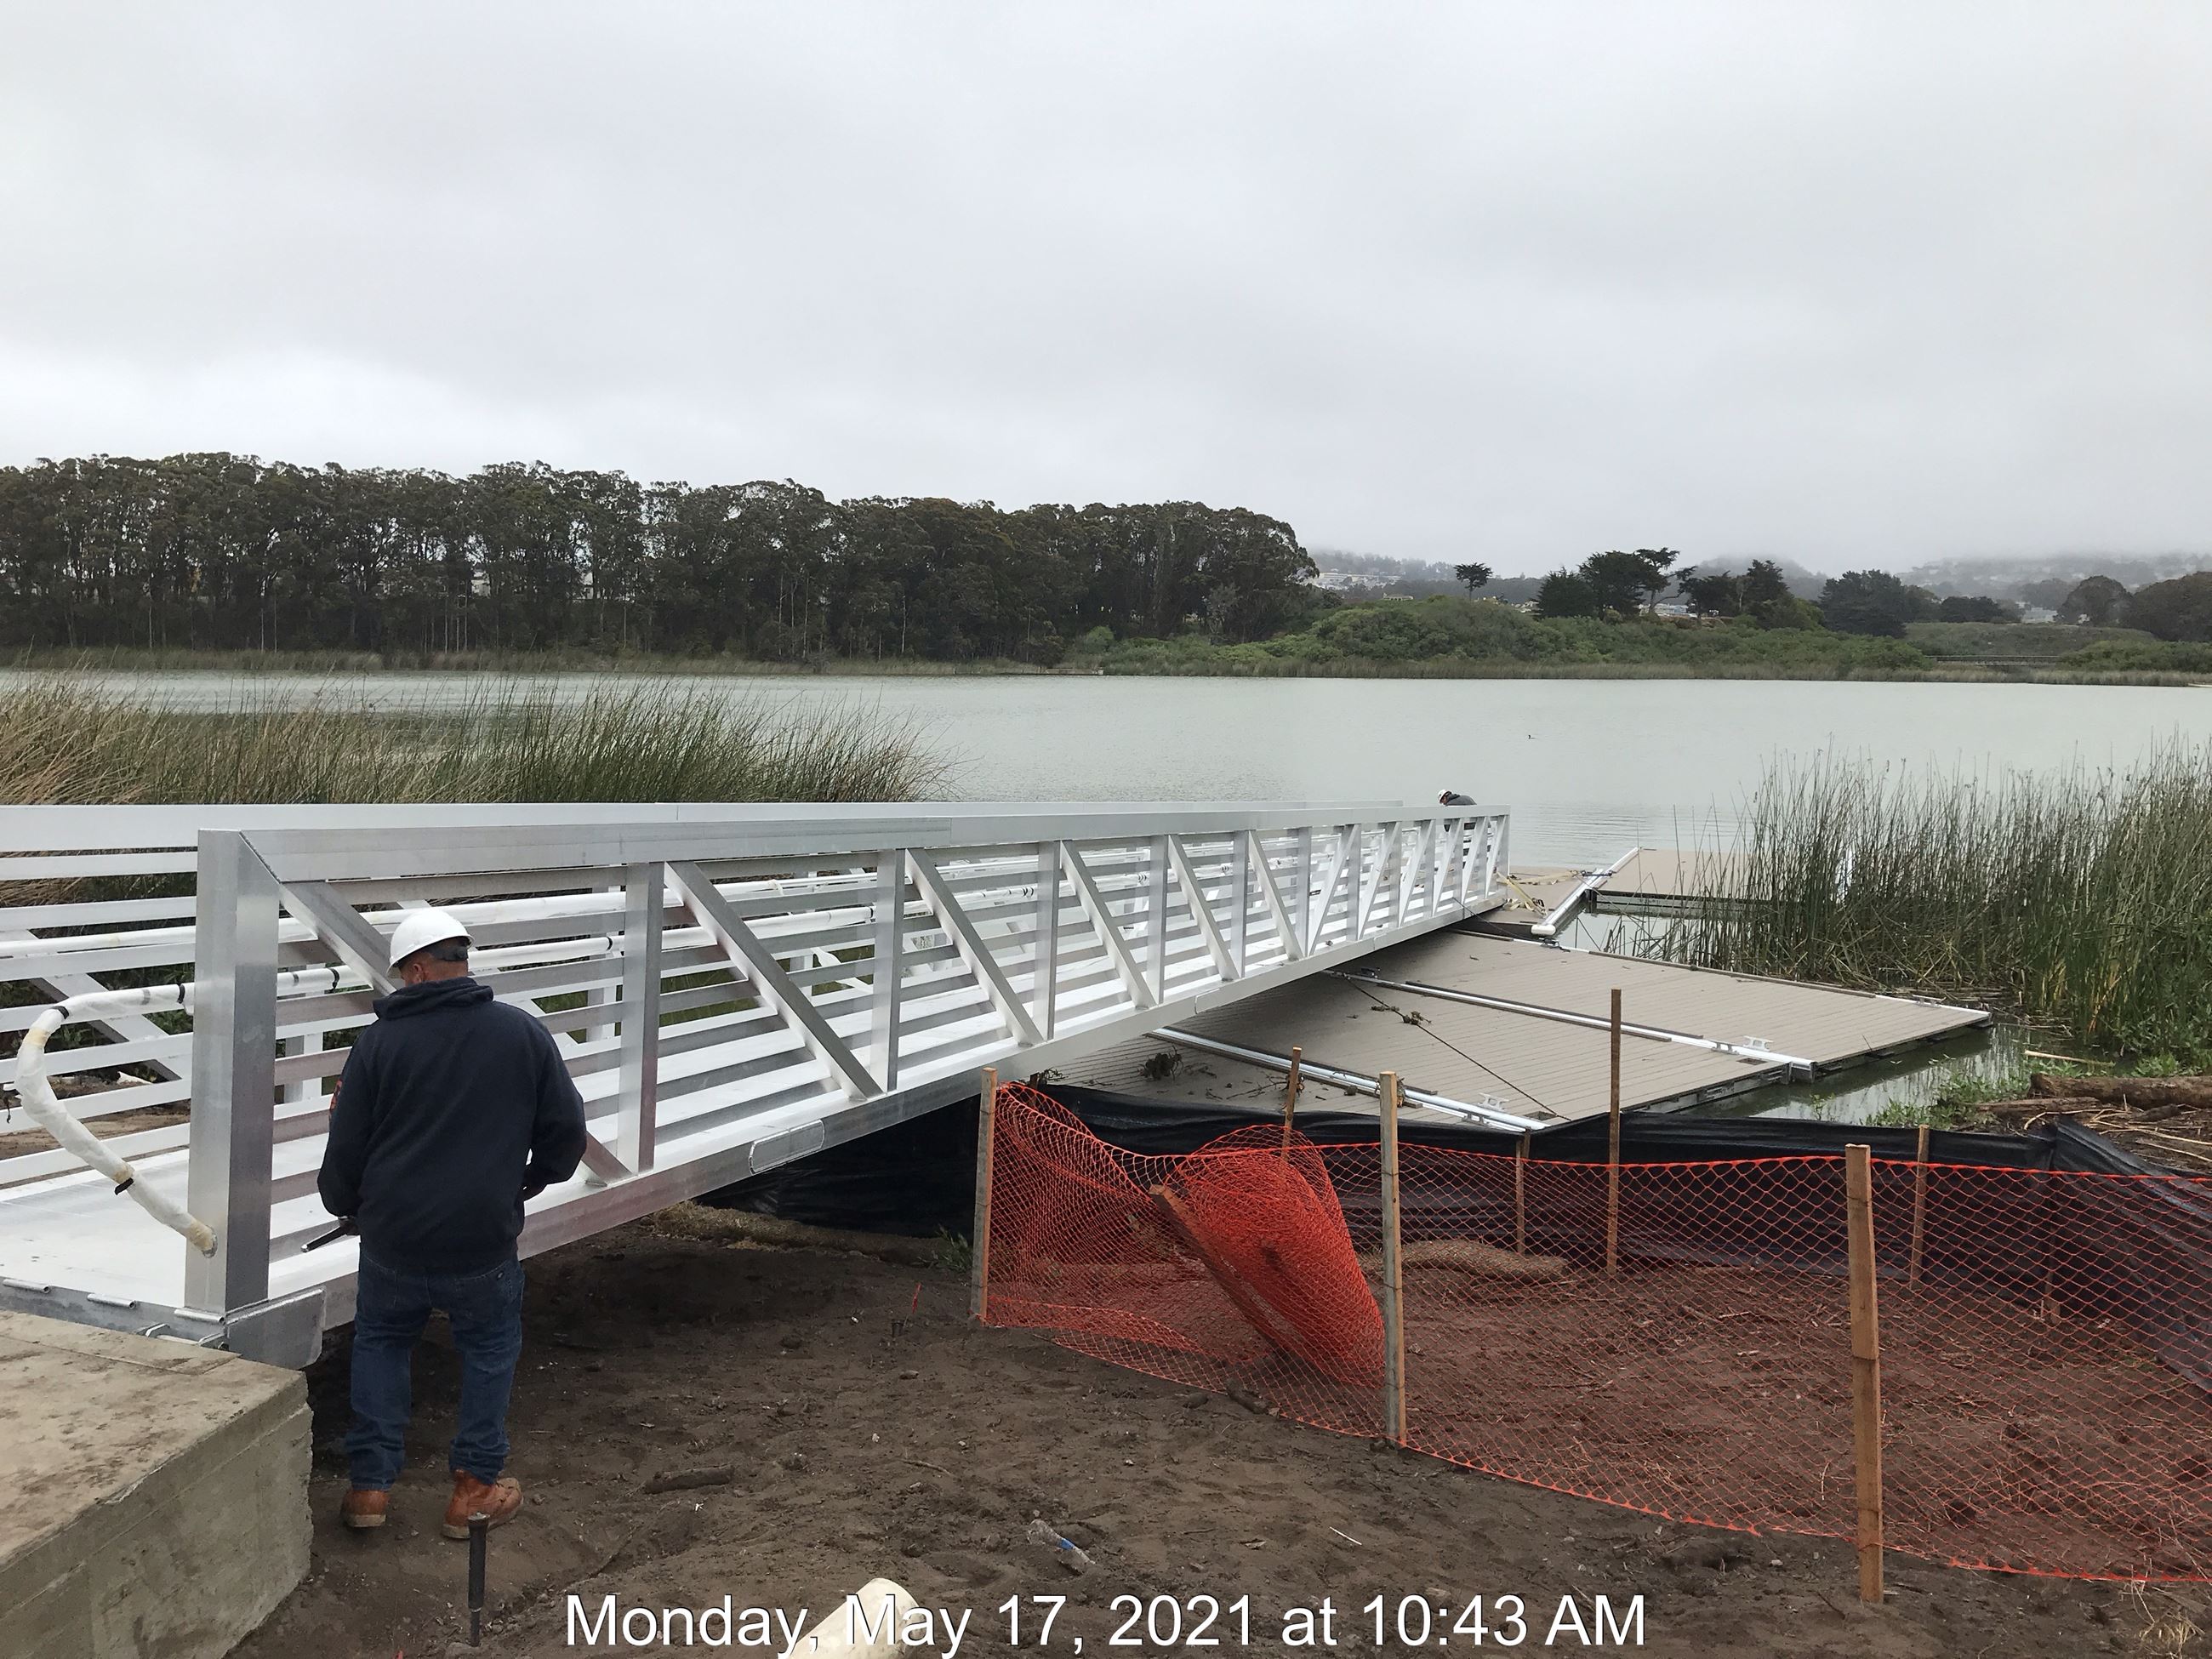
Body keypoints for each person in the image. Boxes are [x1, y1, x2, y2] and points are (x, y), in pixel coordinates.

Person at [318, 908, 587, 1538]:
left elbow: (347, 1144)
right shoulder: (520, 1034)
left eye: (400, 976)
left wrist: (344, 1204)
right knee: (489, 1352)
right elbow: (565, 1130)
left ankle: (369, 1491)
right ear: (458, 962)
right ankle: (473, 1491)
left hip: (394, 1240)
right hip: (481, 1240)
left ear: (416, 969)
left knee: (382, 1344)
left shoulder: (378, 1045)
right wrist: (535, 1176)